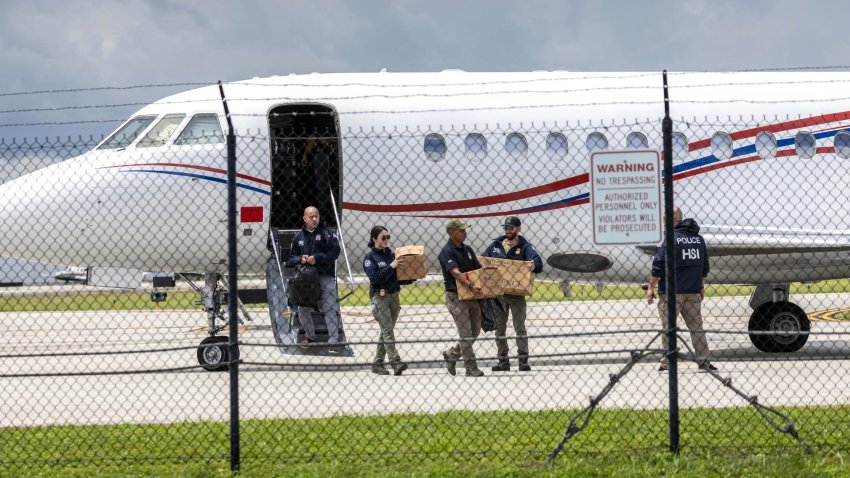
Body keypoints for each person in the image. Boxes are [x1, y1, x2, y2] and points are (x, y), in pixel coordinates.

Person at [647, 207, 716, 372]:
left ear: (673, 221)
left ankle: (668, 363)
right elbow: (704, 266)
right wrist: (701, 286)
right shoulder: (698, 239)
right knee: (697, 328)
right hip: (692, 291)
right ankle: (704, 362)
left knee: (668, 328)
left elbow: (658, 265)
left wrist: (651, 287)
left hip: (672, 292)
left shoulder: (670, 239)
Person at [482, 216, 543, 372]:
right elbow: (482, 260)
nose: (508, 231)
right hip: (499, 294)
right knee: (499, 329)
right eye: (506, 228)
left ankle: (523, 360)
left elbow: (539, 263)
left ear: (518, 229)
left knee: (520, 328)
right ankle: (503, 361)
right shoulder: (495, 245)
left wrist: (533, 265)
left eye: (511, 228)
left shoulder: (525, 247)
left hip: (516, 294)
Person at [286, 206, 342, 353]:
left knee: (330, 307)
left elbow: (335, 252)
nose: (315, 219)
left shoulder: (327, 233)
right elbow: (290, 258)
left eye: (316, 216)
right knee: (302, 308)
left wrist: (317, 258)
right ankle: (310, 336)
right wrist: (301, 259)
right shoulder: (298, 237)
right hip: (305, 280)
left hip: (324, 276)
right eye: (311, 216)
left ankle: (334, 341)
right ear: (304, 218)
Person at [438, 219, 485, 377]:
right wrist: (471, 285)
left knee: (476, 330)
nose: (465, 233)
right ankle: (470, 367)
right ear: (452, 233)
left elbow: (478, 269)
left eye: (465, 230)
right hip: (456, 297)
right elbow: (456, 273)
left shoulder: (468, 249)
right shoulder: (447, 252)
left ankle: (452, 354)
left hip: (472, 296)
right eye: (461, 230)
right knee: (465, 334)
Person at [363, 226, 409, 376]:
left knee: (386, 331)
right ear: (374, 239)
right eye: (383, 238)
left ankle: (377, 363)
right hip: (379, 296)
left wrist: (413, 275)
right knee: (388, 330)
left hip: (394, 295)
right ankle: (395, 362)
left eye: (387, 237)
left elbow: (397, 277)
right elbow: (375, 279)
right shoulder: (369, 258)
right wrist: (391, 266)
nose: (386, 240)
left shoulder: (391, 254)